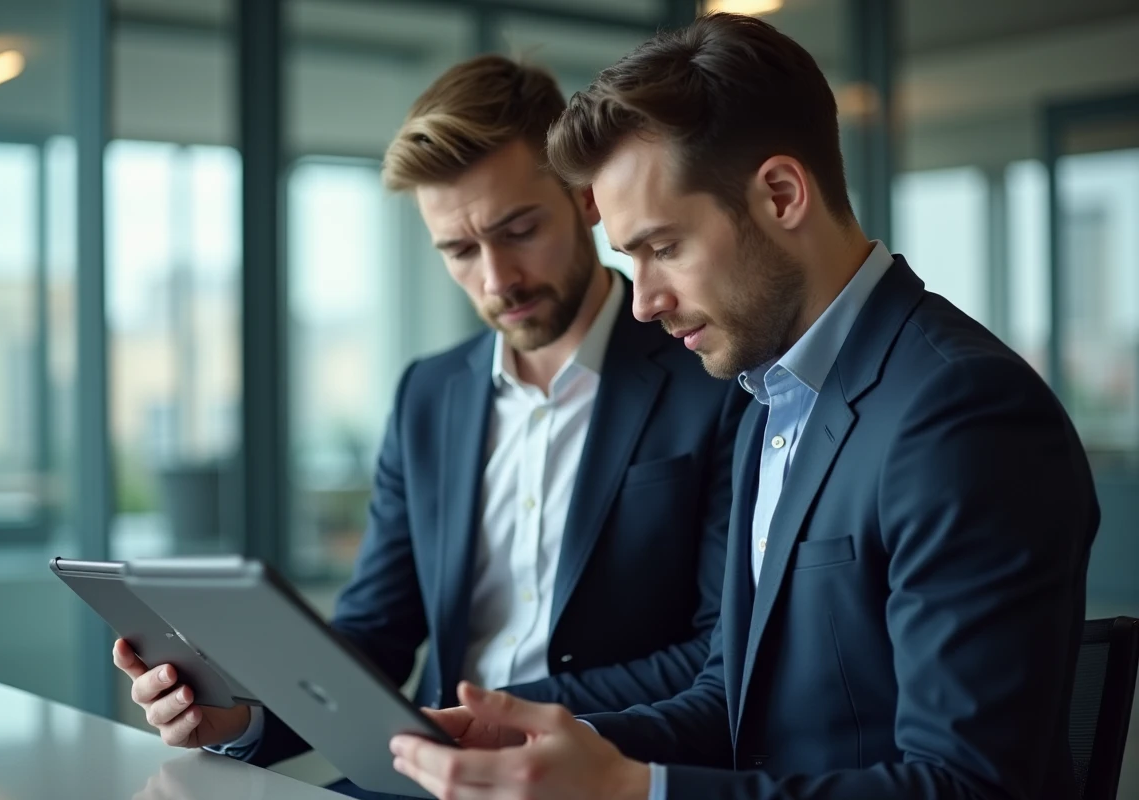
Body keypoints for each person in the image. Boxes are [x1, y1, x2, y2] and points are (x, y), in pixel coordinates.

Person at [389, 13, 1099, 800]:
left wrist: (631, 792)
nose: (644, 302)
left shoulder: (964, 413)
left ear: (782, 195)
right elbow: (731, 702)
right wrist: (552, 742)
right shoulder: (772, 394)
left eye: (664, 247)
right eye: (630, 256)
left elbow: (968, 788)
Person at [112, 53, 747, 796]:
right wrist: (245, 717)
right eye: (458, 249)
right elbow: (374, 635)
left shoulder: (709, 378)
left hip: (599, 772)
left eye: (518, 229)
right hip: (428, 775)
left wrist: (505, 717)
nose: (495, 278)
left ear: (585, 201)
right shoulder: (429, 395)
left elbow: (717, 653)